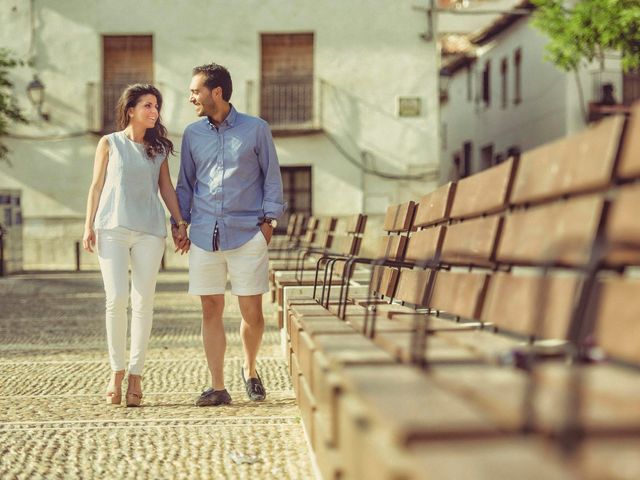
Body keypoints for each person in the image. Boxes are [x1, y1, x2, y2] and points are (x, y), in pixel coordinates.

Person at [174, 63, 285, 406]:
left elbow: (272, 177)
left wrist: (268, 224)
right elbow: (186, 184)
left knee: (251, 311)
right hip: (205, 234)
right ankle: (218, 385)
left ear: (216, 92)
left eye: (196, 91)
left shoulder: (256, 129)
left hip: (247, 232)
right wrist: (180, 224)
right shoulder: (193, 134)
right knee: (211, 308)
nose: (191, 96)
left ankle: (250, 371)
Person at [83, 84, 189, 407]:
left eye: (156, 106)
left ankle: (136, 375)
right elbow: (97, 185)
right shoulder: (109, 143)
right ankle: (116, 371)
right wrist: (88, 224)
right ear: (130, 110)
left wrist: (179, 222)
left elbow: (167, 189)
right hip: (111, 227)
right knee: (116, 299)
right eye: (147, 105)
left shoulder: (158, 150)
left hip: (149, 232)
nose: (154, 111)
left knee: (144, 303)